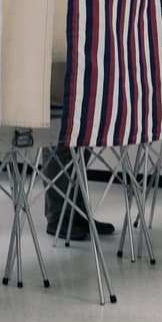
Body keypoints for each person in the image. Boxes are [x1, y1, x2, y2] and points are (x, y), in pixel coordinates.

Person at [41, 67, 116, 241]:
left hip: (82, 72)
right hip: (55, 71)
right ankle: (56, 217)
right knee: (59, 142)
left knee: (84, 139)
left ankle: (78, 213)